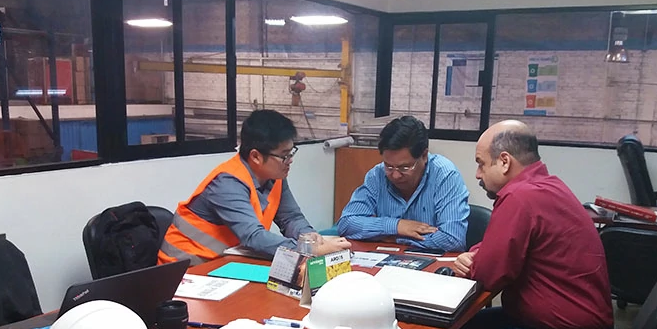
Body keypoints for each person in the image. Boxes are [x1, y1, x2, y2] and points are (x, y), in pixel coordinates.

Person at [423, 120, 613, 329]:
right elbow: (501, 248)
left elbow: (490, 275)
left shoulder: (519, 197)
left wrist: (474, 262)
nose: (478, 174)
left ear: (504, 161)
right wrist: (478, 254)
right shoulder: (545, 186)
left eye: (481, 164)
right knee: (471, 325)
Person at [158, 109, 351, 266]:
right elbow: (254, 236)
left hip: (226, 262)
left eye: (291, 152)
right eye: (284, 155)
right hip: (186, 268)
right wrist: (309, 249)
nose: (290, 160)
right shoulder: (228, 183)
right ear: (256, 156)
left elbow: (291, 218)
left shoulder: (275, 177)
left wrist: (313, 238)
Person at [337, 116, 469, 252]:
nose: (395, 175)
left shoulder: (445, 175)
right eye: (389, 166)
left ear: (424, 156)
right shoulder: (377, 175)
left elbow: (453, 239)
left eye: (404, 168)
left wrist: (395, 238)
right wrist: (396, 226)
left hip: (431, 262)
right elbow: (346, 224)